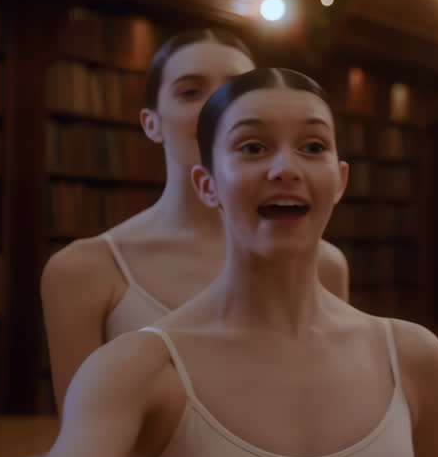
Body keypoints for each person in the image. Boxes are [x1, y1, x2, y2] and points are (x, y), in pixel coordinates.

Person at [33, 68, 438, 457]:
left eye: (311, 146)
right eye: (252, 147)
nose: (286, 168)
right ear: (207, 184)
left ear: (339, 180)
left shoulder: (411, 356)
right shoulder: (133, 369)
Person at [41, 30, 349, 410]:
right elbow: (80, 436)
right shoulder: (84, 270)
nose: (215, 107)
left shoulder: (325, 264)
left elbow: (323, 410)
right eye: (190, 92)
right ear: (151, 123)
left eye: (236, 92)